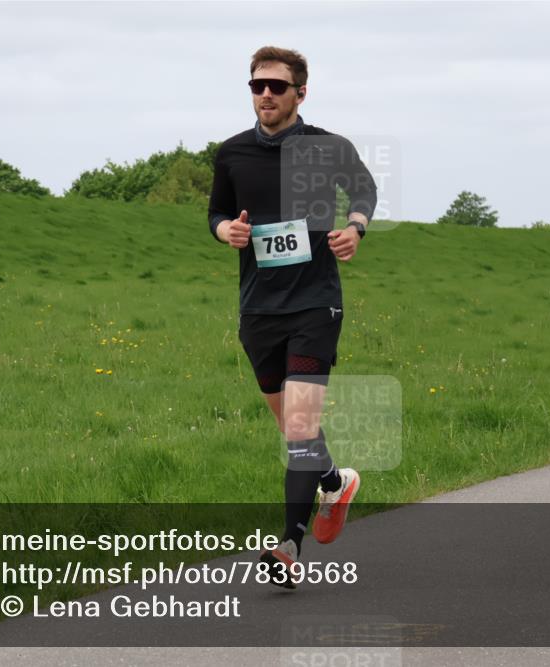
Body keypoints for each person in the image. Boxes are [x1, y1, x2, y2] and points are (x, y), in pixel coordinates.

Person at [208, 46, 376, 588]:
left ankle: (288, 546)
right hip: (258, 308)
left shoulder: (328, 147)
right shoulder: (231, 153)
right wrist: (223, 231)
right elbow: (216, 211)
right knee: (294, 431)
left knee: (301, 428)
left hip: (314, 303)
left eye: (276, 86)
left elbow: (365, 189)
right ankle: (334, 481)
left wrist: (355, 227)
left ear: (300, 92)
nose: (264, 95)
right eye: (256, 86)